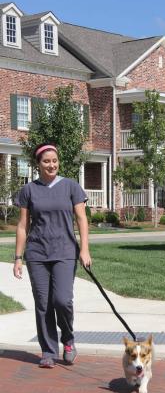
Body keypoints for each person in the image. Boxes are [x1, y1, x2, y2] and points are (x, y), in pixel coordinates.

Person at [13, 142, 92, 368]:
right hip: (37, 253)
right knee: (43, 304)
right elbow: (22, 226)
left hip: (65, 251)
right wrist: (18, 257)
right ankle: (48, 350)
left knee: (62, 300)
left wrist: (84, 249)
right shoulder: (28, 190)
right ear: (38, 164)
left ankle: (68, 340)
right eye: (46, 161)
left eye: (54, 160)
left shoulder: (71, 187)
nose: (51, 165)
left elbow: (82, 219)